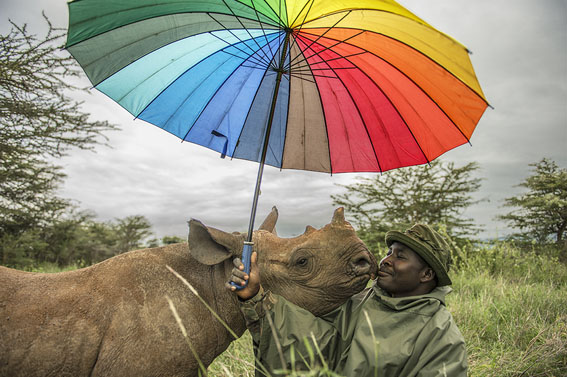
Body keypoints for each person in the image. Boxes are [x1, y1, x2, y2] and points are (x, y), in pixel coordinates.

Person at [227, 224, 467, 377]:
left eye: (400, 257)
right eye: (389, 252)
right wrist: (256, 296)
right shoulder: (362, 301)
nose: (385, 260)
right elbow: (317, 343)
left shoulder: (441, 337)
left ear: (426, 274)